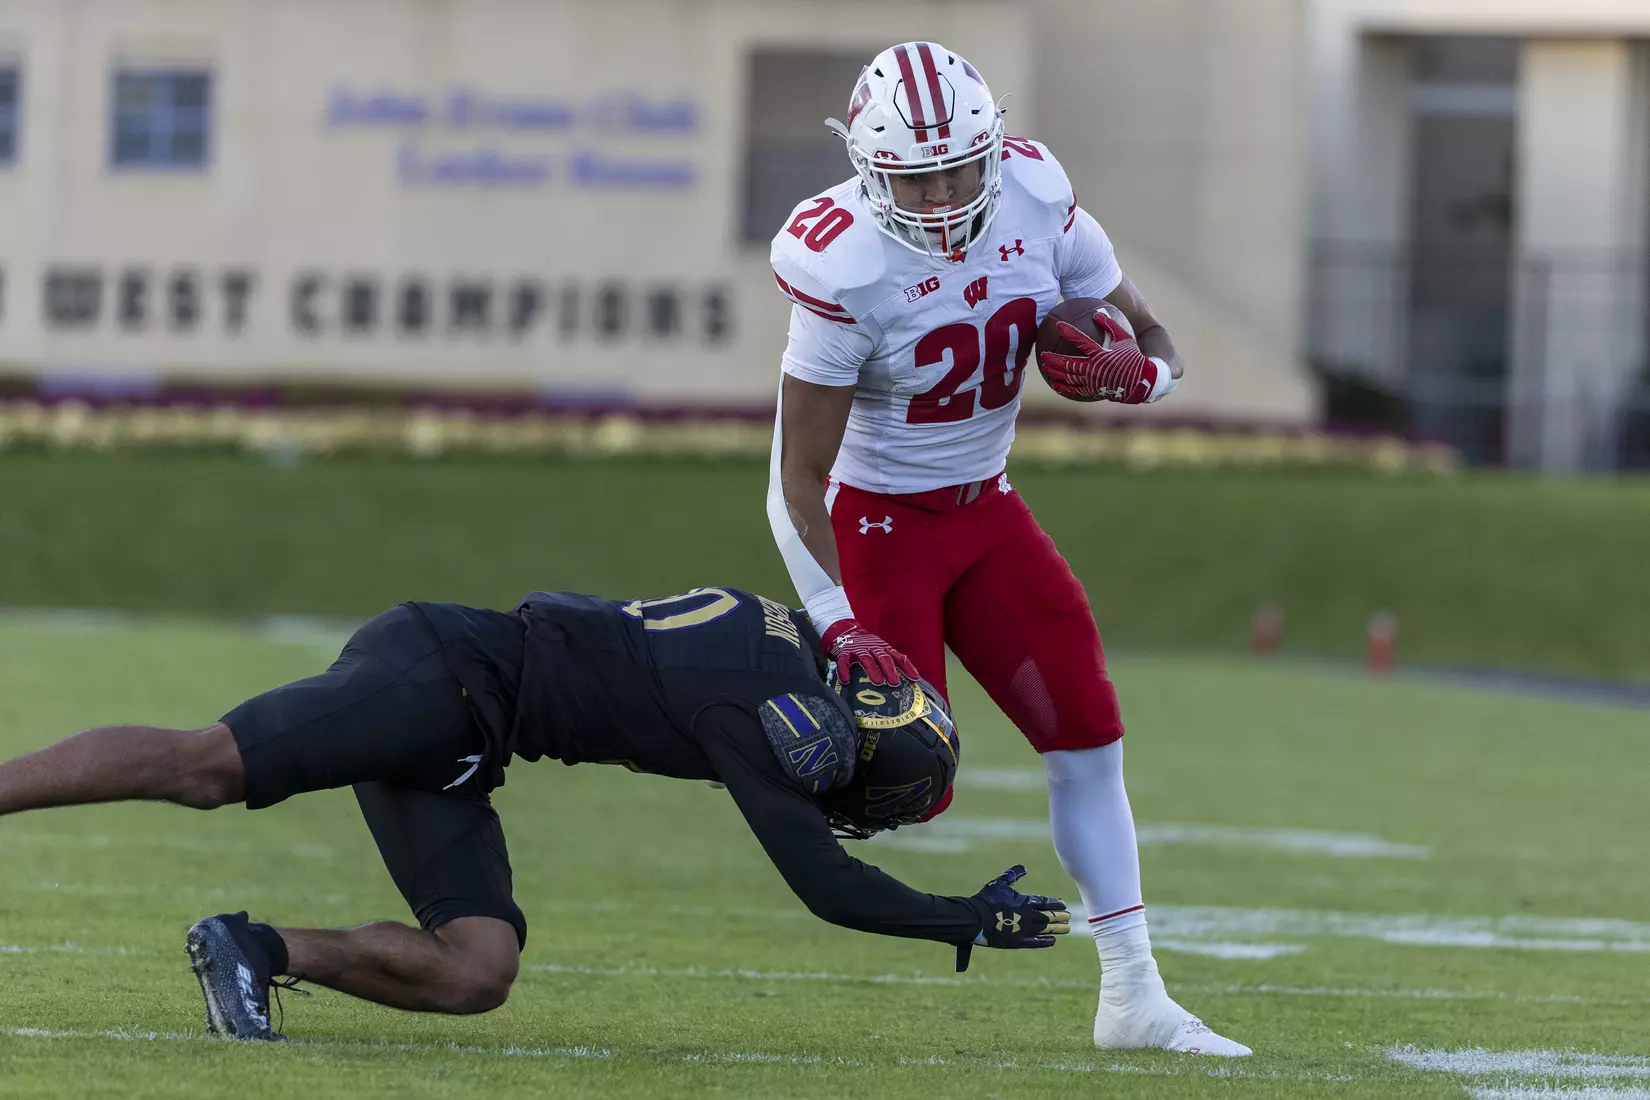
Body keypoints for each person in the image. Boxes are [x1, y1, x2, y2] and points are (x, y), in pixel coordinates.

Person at [765, 42, 1249, 1055]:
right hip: (880, 522)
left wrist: (1135, 378)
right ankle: (748, 713)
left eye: (957, 168)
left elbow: (1153, 338)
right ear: (866, 168)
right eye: (915, 176)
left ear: (994, 149)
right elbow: (795, 480)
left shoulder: (1034, 193)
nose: (942, 198)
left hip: (986, 513)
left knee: (1088, 730)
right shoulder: (843, 258)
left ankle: (1133, 992)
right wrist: (839, 617)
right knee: (909, 779)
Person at [0, 586, 1068, 1040]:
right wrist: (960, 918)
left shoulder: (784, 649)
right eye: (875, 800)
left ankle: (252, 947)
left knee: (479, 966)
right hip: (442, 673)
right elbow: (825, 884)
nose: (855, 813)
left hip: (472, 727)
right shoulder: (770, 712)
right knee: (207, 766)